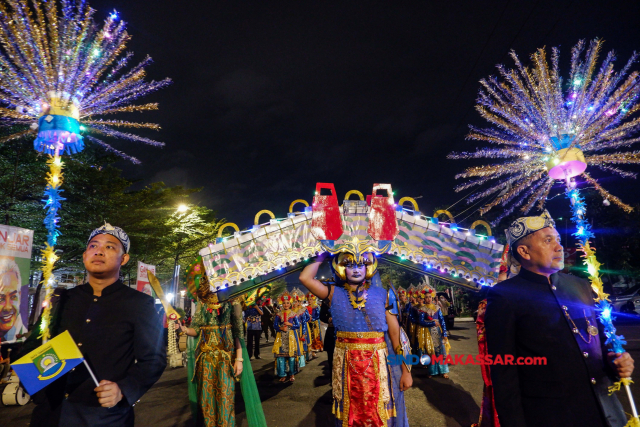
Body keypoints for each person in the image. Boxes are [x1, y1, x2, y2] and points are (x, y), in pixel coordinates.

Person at [485, 210, 634, 427]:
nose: (559, 246)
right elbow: (504, 374)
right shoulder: (505, 296)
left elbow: (600, 345)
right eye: (548, 240)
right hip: (552, 415)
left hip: (604, 411)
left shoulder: (580, 285)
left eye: (557, 239)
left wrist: (617, 362)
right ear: (524, 251)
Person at [18, 223, 166, 427]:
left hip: (104, 416)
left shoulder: (140, 304)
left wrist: (123, 389)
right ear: (84, 255)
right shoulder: (60, 300)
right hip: (51, 412)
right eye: (93, 246)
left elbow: (153, 360)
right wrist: (35, 386)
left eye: (109, 247)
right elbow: (32, 347)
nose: (99, 251)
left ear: (124, 259)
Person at [300, 251, 411, 427]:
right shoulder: (332, 293)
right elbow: (305, 278)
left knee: (380, 410)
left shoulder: (384, 294)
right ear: (340, 268)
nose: (356, 270)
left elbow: (395, 335)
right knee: (349, 412)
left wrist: (406, 371)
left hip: (378, 365)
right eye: (350, 265)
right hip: (346, 364)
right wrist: (322, 253)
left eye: (361, 265)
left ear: (368, 267)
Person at [180, 257, 266, 427]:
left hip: (225, 358)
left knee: (226, 397)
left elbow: (237, 333)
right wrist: (183, 329)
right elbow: (196, 329)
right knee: (206, 398)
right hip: (205, 359)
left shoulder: (232, 300)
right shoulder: (202, 302)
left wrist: (239, 359)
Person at [412, 286, 450, 378]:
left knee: (440, 351)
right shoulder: (422, 310)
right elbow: (421, 322)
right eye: (426, 297)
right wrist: (432, 323)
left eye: (430, 297)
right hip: (428, 333)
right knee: (430, 351)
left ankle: (444, 371)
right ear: (424, 299)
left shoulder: (437, 308)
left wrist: (444, 333)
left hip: (438, 332)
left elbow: (442, 321)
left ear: (432, 297)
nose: (428, 299)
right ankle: (432, 371)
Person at [272, 291, 303, 383]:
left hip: (291, 337)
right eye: (284, 303)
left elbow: (297, 325)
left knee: (291, 357)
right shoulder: (279, 314)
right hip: (281, 337)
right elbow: (274, 325)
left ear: (290, 304)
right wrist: (280, 328)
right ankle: (282, 374)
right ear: (282, 303)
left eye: (288, 303)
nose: (286, 305)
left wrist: (290, 324)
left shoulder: (293, 314)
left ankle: (292, 374)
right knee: (281, 357)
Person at [0, 257, 27, 343]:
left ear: (19, 297)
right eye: (1, 298)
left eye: (13, 297)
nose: (7, 307)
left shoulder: (23, 336)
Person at [306, 293, 323, 360]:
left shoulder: (316, 307)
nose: (309, 301)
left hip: (314, 324)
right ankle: (310, 351)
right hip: (308, 324)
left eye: (311, 299)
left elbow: (318, 315)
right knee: (309, 337)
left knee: (315, 337)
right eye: (308, 299)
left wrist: (312, 319)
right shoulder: (306, 308)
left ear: (313, 300)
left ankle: (314, 350)